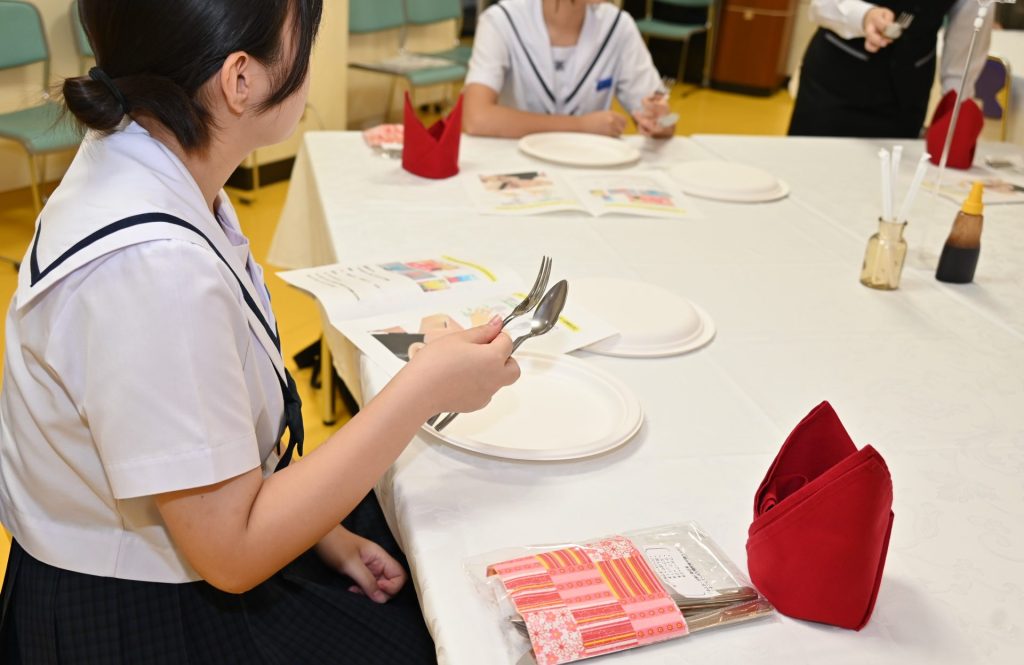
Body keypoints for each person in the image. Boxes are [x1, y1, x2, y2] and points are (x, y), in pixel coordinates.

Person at [0, 1, 520, 663]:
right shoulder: (156, 268)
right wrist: (422, 387)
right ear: (239, 80)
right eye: (303, 38)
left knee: (421, 554)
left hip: (185, 548)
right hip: (136, 611)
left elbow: (209, 458)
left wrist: (322, 530)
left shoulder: (150, 159)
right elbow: (232, 552)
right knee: (447, 627)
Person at [463, 0, 677, 138]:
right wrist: (580, 125)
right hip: (517, 165)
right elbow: (476, 118)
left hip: (590, 169)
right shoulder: (501, 20)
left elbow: (669, 121)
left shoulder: (619, 26)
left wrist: (662, 122)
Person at [789, 0, 994, 138]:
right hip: (835, 86)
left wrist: (957, 105)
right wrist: (864, 15)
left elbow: (971, 27)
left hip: (908, 92)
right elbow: (820, 5)